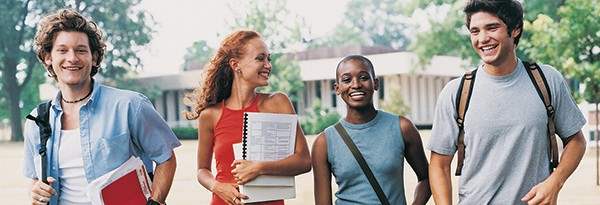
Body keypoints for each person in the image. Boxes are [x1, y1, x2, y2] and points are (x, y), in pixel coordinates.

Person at [428, 1, 587, 204]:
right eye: (475, 31)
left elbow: (576, 141)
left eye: (492, 27)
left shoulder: (546, 80)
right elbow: (439, 164)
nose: (483, 39)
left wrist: (555, 181)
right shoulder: (456, 93)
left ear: (515, 29)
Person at [23, 9, 181, 205]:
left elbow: (166, 158)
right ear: (48, 57)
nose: (72, 58)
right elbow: (32, 179)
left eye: (81, 50)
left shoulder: (131, 105)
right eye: (62, 50)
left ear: (95, 57)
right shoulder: (36, 120)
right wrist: (35, 191)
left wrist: (155, 202)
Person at [186, 30, 311, 205]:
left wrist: (259, 168)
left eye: (269, 58)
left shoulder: (278, 103)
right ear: (236, 64)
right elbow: (202, 170)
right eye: (260, 58)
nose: (268, 65)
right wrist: (217, 187)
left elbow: (304, 161)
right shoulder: (211, 115)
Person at [311, 55, 431, 205]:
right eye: (347, 80)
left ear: (375, 83)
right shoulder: (324, 142)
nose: (356, 85)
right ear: (337, 88)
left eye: (363, 77)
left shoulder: (402, 128)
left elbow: (427, 178)